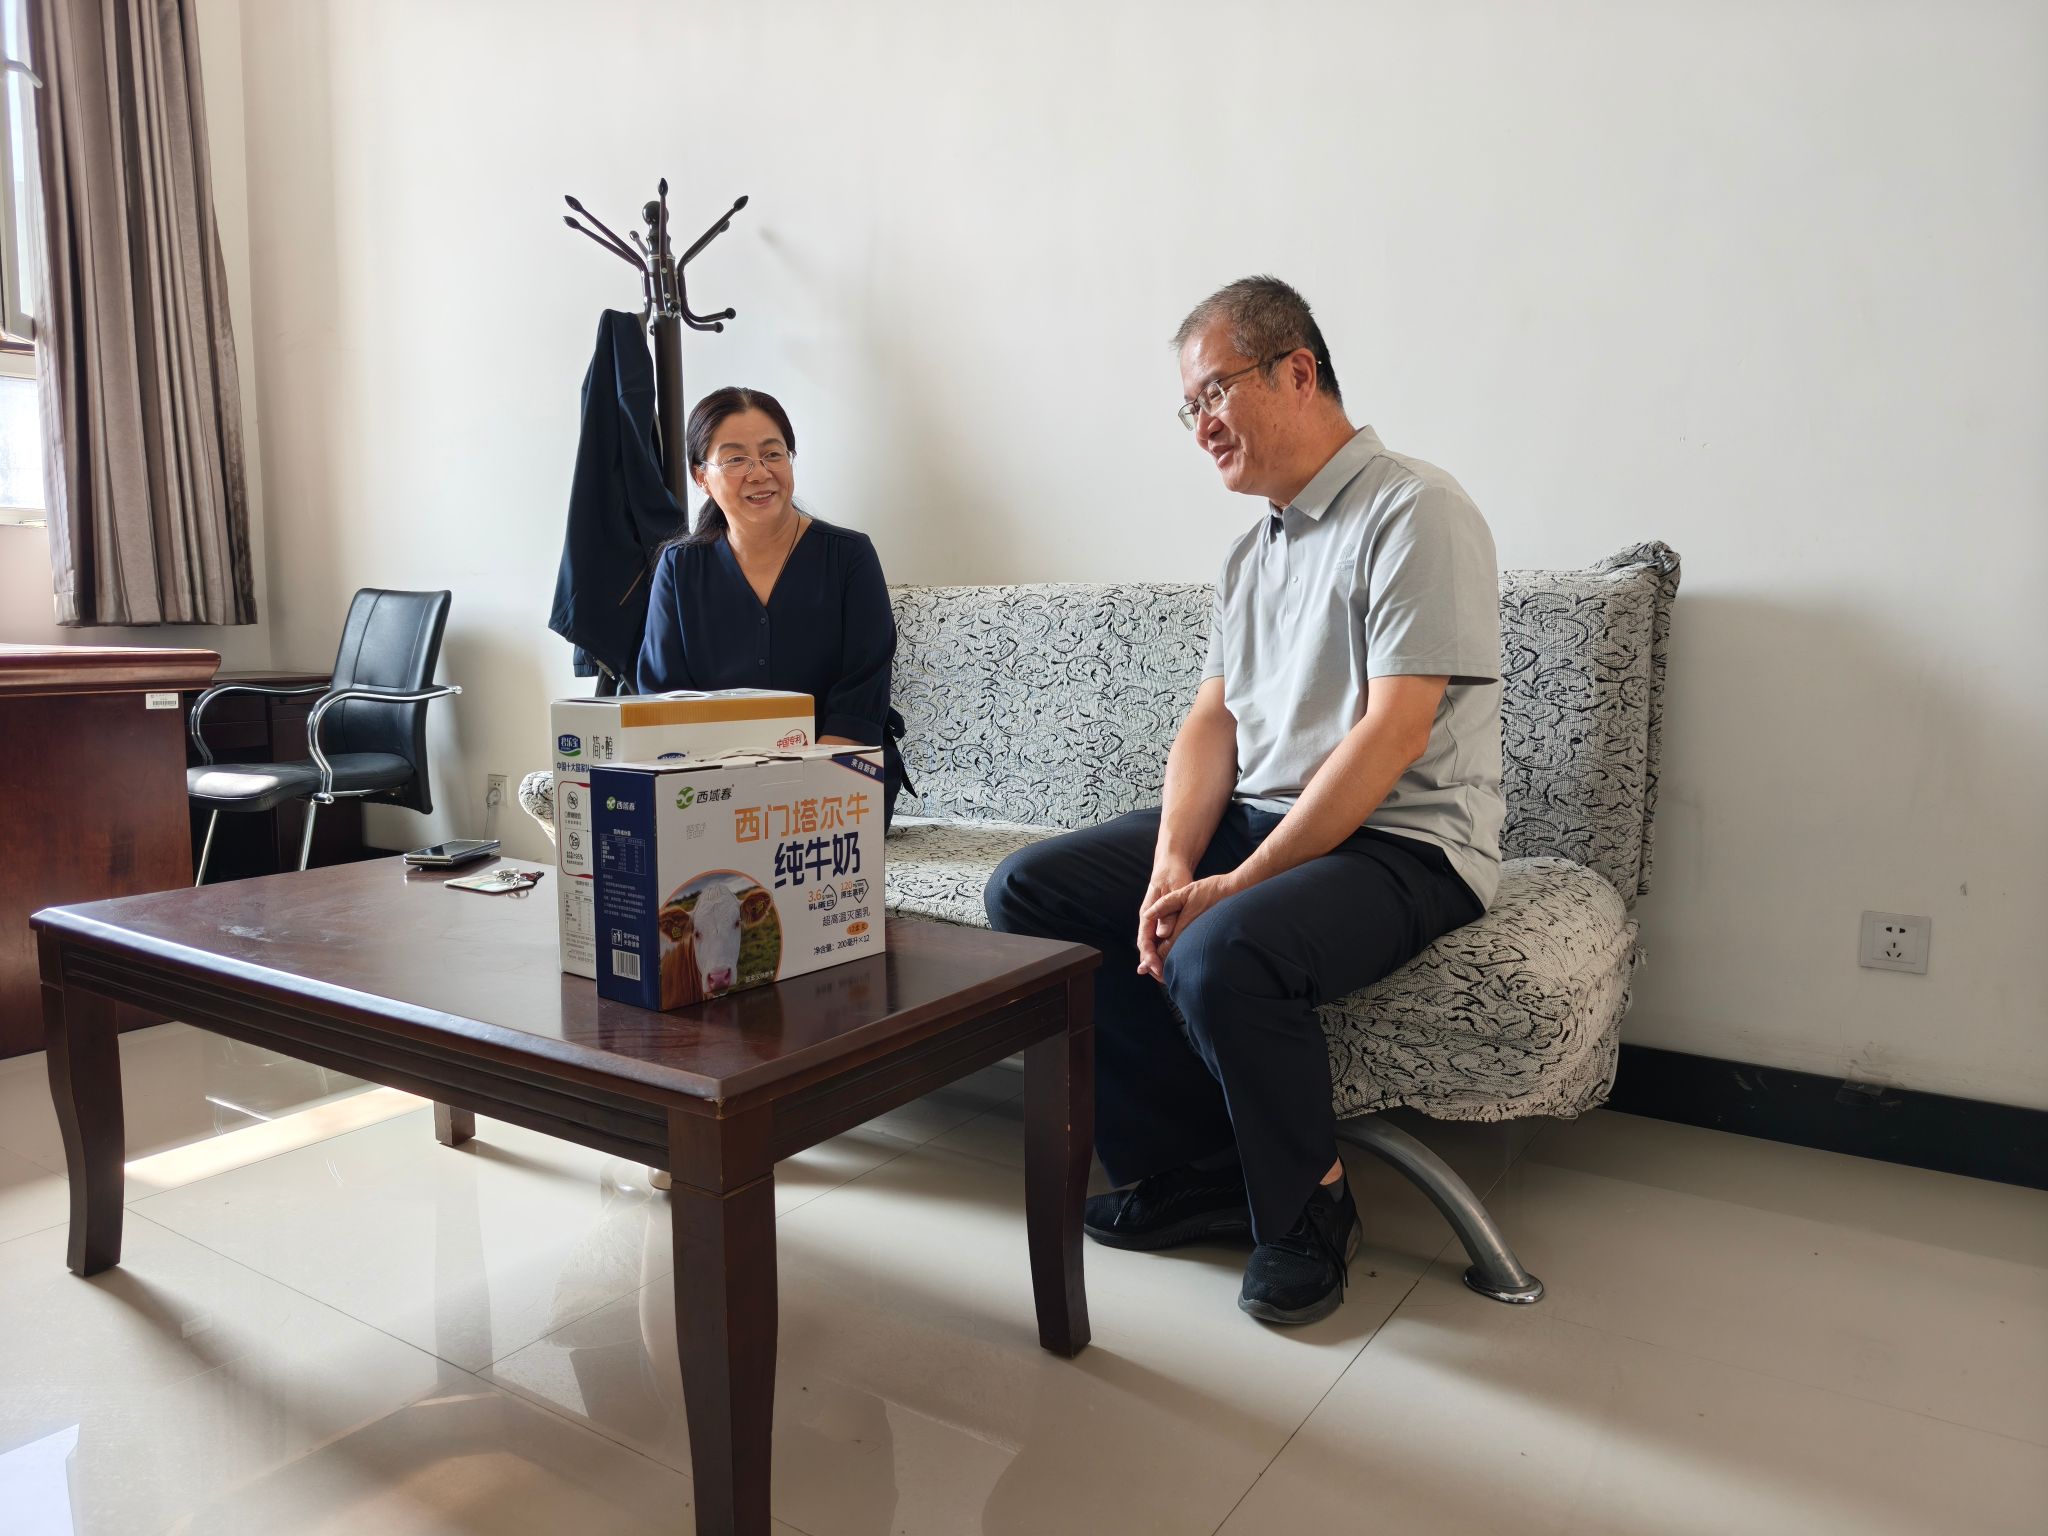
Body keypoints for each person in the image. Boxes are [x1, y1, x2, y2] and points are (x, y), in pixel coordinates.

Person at [985, 277, 1503, 1326]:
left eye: (1213, 392)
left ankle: (1310, 1206)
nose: (1201, 426)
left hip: (1403, 841)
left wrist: (1244, 882)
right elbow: (1210, 724)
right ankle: (1203, 1167)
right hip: (1264, 820)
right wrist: (1176, 863)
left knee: (1224, 948)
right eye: (1188, 406)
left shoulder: (1415, 510)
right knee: (1030, 892)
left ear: (1296, 371)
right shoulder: (1249, 551)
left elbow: (1395, 733)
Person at [636, 386, 908, 824]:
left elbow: (862, 694)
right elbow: (664, 697)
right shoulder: (680, 567)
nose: (760, 472)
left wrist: (796, 793)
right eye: (736, 459)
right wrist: (720, 792)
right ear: (701, 476)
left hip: (839, 783)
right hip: (713, 788)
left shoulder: (849, 556)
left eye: (773, 454)